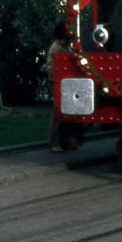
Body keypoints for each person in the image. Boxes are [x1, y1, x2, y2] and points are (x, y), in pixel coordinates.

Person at [48, 22, 82, 152]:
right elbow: (52, 66)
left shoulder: (66, 47)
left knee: (67, 113)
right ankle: (54, 142)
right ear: (63, 33)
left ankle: (66, 141)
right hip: (60, 83)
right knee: (59, 113)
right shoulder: (57, 47)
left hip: (66, 83)